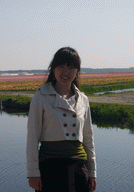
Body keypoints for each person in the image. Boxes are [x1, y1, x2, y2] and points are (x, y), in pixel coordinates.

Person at [26, 47, 97, 192]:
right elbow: (32, 137)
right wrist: (33, 173)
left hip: (79, 169)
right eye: (61, 67)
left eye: (71, 68)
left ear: (77, 71)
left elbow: (89, 139)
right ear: (53, 69)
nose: (66, 72)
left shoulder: (83, 99)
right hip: (50, 169)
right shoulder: (41, 96)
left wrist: (93, 173)